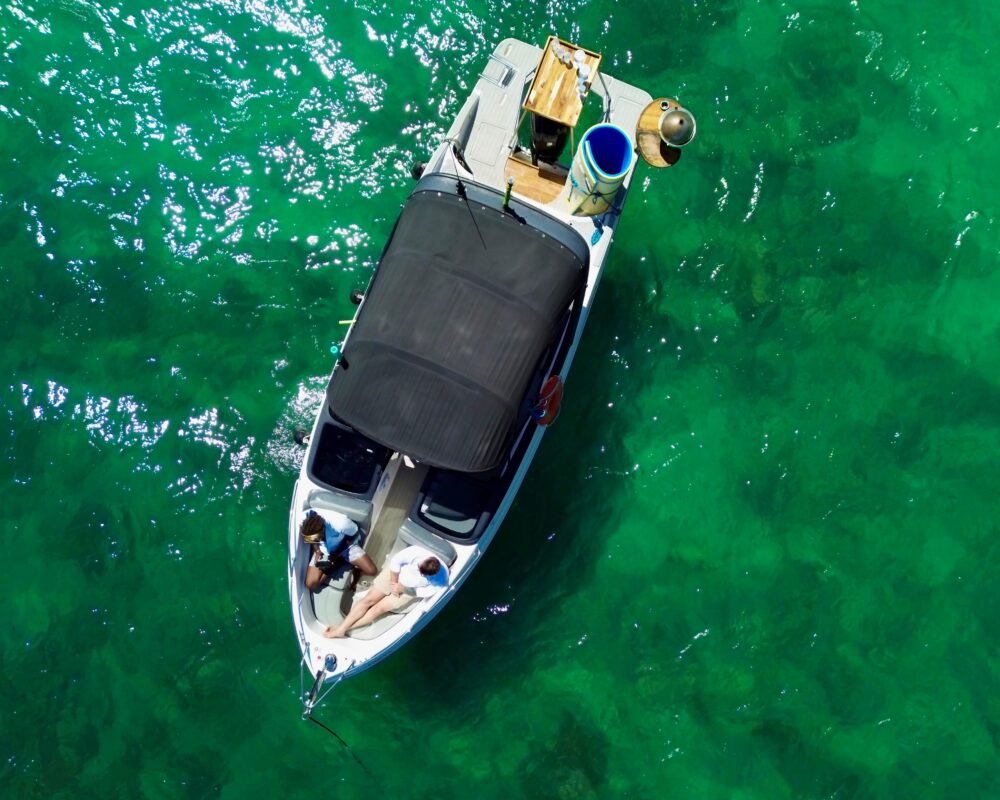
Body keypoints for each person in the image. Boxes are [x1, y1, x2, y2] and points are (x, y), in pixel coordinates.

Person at [324, 545, 450, 638]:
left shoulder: (441, 579)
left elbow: (426, 592)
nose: (418, 572)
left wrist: (403, 589)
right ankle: (341, 629)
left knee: (377, 610)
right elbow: (396, 562)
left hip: (409, 590)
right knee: (368, 600)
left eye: (422, 574)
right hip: (394, 576)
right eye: (418, 568)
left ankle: (342, 629)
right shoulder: (415, 552)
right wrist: (394, 583)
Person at [300, 510, 377, 593]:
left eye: (317, 539)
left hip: (345, 546)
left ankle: (351, 567)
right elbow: (311, 540)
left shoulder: (341, 524)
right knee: (310, 584)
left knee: (372, 571)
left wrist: (335, 555)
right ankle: (335, 565)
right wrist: (317, 551)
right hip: (324, 551)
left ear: (323, 530)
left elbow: (354, 535)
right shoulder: (304, 521)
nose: (316, 541)